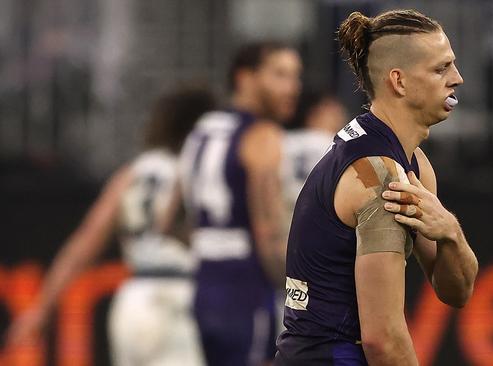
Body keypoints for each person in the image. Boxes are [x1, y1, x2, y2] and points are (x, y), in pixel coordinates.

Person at [275, 9, 479, 366]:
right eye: (440, 69)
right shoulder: (380, 178)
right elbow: (382, 339)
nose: (457, 79)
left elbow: (457, 291)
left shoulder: (411, 163)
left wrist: (450, 232)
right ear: (398, 82)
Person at [6, 85, 216, 366]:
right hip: (181, 300)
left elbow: (84, 244)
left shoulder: (132, 173)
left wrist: (42, 309)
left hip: (134, 301)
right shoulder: (204, 169)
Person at [175, 41, 302, 366]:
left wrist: (212, 245)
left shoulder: (200, 131)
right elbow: (268, 233)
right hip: (247, 288)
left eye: (295, 76)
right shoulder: (263, 135)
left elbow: (169, 219)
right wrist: (302, 295)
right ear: (245, 78)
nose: (292, 87)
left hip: (205, 286)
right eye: (280, 75)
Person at [282, 90, 348, 214]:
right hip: (318, 221)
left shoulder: (282, 140)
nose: (340, 115)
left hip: (285, 215)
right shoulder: (338, 146)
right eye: (332, 110)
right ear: (314, 113)